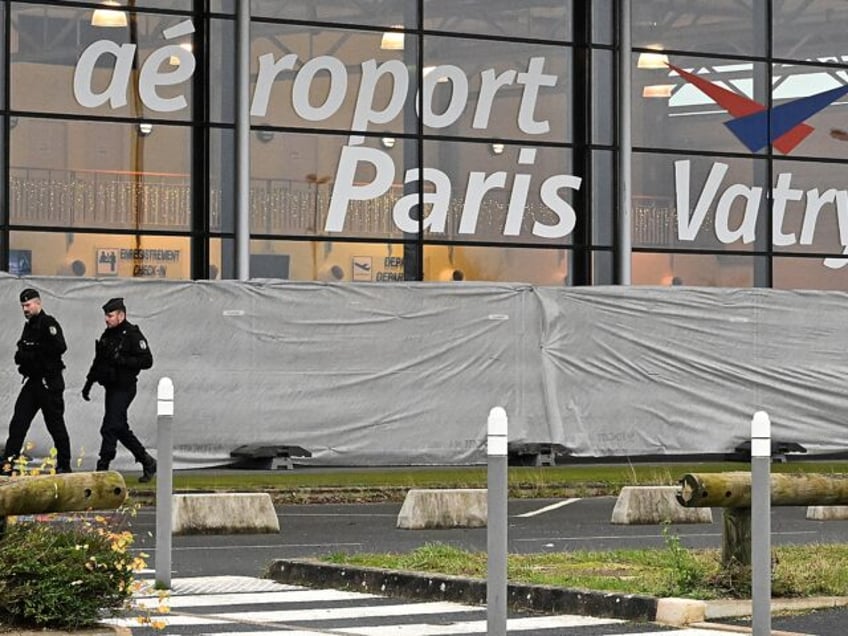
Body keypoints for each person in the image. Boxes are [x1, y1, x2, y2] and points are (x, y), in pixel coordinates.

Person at [82, 297, 157, 482]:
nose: (107, 319)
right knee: (119, 427)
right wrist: (88, 383)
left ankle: (103, 467)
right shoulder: (107, 335)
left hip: (125, 387)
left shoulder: (132, 334)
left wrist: (123, 361)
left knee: (109, 426)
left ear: (121, 315)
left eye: (110, 315)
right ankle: (147, 461)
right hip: (111, 387)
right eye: (106, 316)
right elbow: (99, 360)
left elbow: (147, 361)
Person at [3, 288, 73, 474]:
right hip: (33, 382)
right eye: (23, 306)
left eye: (28, 305)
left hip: (48, 382)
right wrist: (27, 355)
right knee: (18, 422)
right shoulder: (29, 326)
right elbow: (20, 352)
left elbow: (60, 347)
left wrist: (35, 352)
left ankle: (64, 465)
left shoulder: (48, 323)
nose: (25, 309)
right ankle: (8, 464)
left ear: (38, 303)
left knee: (55, 425)